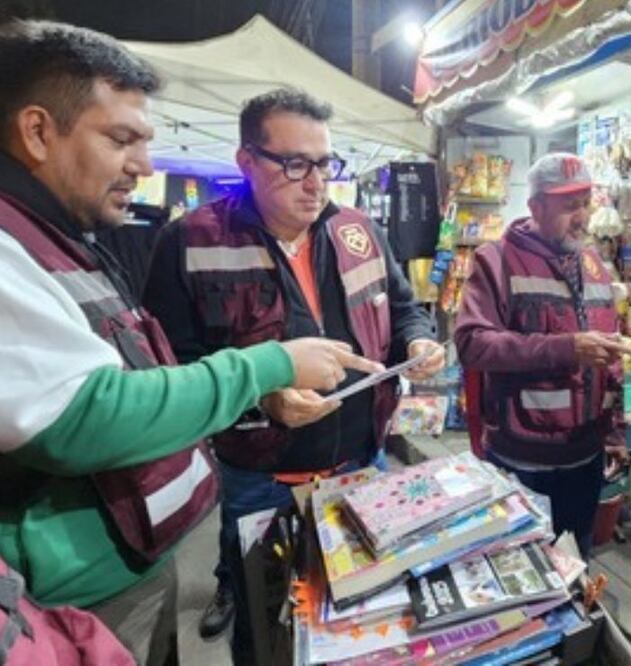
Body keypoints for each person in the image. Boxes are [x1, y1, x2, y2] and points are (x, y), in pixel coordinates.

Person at [0, 19, 376, 666]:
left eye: (323, 164)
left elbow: (151, 368)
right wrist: (264, 376)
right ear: (37, 131)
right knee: (264, 600)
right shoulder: (185, 237)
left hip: (322, 461)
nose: (144, 165)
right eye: (122, 139)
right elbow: (95, 408)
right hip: (94, 584)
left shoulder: (61, 236)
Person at [143, 87, 443, 660]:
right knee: (269, 616)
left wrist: (420, 338)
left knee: (360, 610)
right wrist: (262, 399)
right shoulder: (192, 241)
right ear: (247, 161)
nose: (315, 182)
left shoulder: (358, 230)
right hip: (258, 475)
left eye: (325, 163)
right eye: (296, 164)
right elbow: (169, 371)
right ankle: (235, 590)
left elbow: (404, 306)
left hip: (362, 460)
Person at [454, 152, 627, 560]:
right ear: (534, 207)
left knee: (575, 559)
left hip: (585, 455)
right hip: (521, 458)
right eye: (570, 207)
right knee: (523, 567)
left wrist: (616, 430)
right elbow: (471, 344)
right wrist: (566, 348)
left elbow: (611, 358)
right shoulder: (495, 260)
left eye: (586, 203)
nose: (582, 217)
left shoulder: (595, 265)